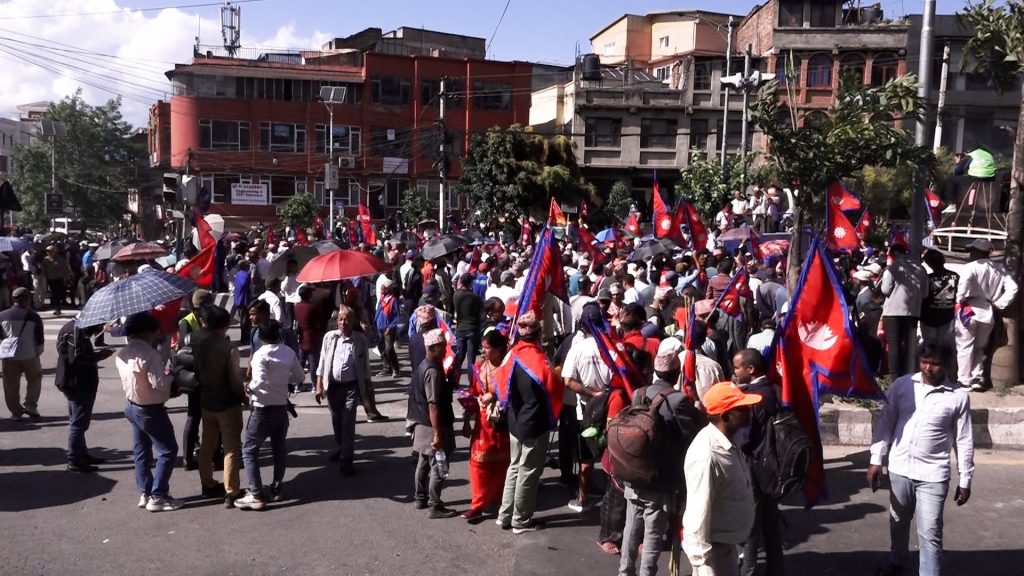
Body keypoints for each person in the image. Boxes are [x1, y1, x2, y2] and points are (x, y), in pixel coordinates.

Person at [869, 343, 975, 576]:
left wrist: (965, 479)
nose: (928, 368)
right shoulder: (902, 386)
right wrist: (876, 460)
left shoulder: (957, 397)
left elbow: (964, 439)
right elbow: (886, 423)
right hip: (899, 469)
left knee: (930, 533)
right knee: (897, 523)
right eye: (924, 362)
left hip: (933, 476)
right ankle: (897, 564)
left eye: (935, 363)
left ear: (946, 365)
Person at [618, 349, 700, 576]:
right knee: (653, 533)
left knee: (631, 528)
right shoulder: (678, 400)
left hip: (633, 471)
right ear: (676, 374)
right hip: (659, 477)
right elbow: (691, 435)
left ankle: (625, 571)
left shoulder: (638, 393)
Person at [682, 382, 762, 575]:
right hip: (712, 556)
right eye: (741, 409)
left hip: (726, 549)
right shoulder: (707, 455)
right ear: (726, 416)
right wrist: (704, 566)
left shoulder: (728, 442)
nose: (749, 411)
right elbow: (697, 514)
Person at [496, 311, 565, 534]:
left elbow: (499, 381)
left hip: (515, 420)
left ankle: (505, 515)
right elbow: (554, 387)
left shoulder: (511, 355)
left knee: (514, 467)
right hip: (533, 422)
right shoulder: (538, 358)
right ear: (537, 334)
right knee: (528, 471)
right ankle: (520, 520)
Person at [114, 312, 182, 512]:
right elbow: (159, 385)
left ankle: (145, 491)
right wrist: (170, 376)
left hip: (131, 405)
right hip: (151, 408)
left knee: (141, 451)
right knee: (168, 450)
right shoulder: (149, 355)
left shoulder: (123, 353)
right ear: (146, 332)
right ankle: (159, 495)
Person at [235, 320, 304, 510]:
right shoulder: (288, 352)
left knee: (249, 450)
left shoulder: (260, 355)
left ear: (261, 336)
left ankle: (255, 492)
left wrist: (248, 387)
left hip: (262, 409)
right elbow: (299, 377)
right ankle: (276, 486)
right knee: (279, 448)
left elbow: (259, 381)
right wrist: (282, 380)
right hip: (281, 408)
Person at [732, 349, 784, 576]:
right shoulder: (772, 389)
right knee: (770, 524)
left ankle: (748, 572)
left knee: (750, 528)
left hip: (754, 468)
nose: (734, 372)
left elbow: (744, 437)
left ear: (750, 369)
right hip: (771, 467)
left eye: (737, 367)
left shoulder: (753, 397)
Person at [561, 304, 614, 513]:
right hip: (611, 407)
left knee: (586, 456)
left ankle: (582, 498)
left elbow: (567, 380)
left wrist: (590, 394)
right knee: (611, 454)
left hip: (586, 409)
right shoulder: (611, 347)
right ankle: (612, 498)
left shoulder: (578, 349)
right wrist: (603, 394)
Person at [194, 306, 247, 507]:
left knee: (208, 444)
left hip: (207, 399)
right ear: (225, 326)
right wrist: (243, 396)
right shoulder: (228, 348)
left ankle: (207, 483)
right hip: (227, 403)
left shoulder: (198, 341)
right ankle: (231, 490)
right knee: (231, 447)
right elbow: (234, 380)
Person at [316, 305, 376, 477]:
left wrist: (367, 386)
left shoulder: (360, 340)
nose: (343, 322)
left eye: (347, 319)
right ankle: (342, 447)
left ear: (353, 321)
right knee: (337, 421)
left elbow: (365, 366)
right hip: (333, 387)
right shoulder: (329, 338)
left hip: (351, 387)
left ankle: (346, 460)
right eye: (341, 319)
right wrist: (319, 385)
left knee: (348, 422)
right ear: (337, 321)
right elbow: (322, 362)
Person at [954, 239, 1018, 391]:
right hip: (988, 310)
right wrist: (999, 303)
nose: (970, 254)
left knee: (964, 346)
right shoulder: (1000, 269)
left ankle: (964, 380)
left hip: (968, 308)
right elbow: (1013, 288)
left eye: (972, 251)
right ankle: (977, 377)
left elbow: (963, 287)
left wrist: (959, 301)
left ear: (977, 252)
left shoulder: (970, 267)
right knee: (979, 347)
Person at [461, 330, 511, 521]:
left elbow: (515, 391)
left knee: (503, 463)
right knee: (478, 463)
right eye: (483, 347)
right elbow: (473, 392)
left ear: (499, 350)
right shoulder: (480, 367)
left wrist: (497, 395)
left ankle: (500, 498)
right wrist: (467, 416)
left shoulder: (509, 367)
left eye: (487, 348)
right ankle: (478, 504)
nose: (483, 351)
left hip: (503, 421)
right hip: (483, 423)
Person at [409, 328, 458, 518]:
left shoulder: (424, 365)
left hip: (422, 422)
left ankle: (420, 497)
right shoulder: (432, 371)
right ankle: (435, 504)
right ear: (432, 347)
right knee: (438, 465)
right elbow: (434, 405)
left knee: (423, 461)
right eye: (442, 347)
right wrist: (438, 433)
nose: (445, 350)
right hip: (433, 425)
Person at [56, 319, 113, 472]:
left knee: (78, 422)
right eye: (98, 327)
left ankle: (81, 454)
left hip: (73, 381)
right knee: (78, 423)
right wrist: (99, 356)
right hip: (79, 383)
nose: (98, 331)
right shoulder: (77, 331)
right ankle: (74, 459)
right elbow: (77, 358)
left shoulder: (73, 328)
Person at [879, 245, 927, 378]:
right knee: (909, 344)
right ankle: (908, 373)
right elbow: (925, 293)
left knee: (894, 345)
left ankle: (894, 376)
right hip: (912, 312)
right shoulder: (920, 269)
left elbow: (885, 290)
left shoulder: (892, 269)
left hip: (893, 312)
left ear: (893, 253)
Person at [0, 287, 44, 421]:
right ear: (27, 300)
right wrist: (38, 353)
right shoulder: (33, 316)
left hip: (9, 355)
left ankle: (16, 412)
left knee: (10, 384)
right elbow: (39, 338)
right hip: (29, 354)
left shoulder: (2, 315)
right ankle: (31, 405)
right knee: (35, 380)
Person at [921, 250, 959, 376]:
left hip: (929, 318)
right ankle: (950, 375)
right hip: (947, 317)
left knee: (929, 348)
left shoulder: (928, 278)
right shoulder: (955, 276)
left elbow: (923, 297)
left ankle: (930, 373)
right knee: (948, 349)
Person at [294, 284, 326, 392]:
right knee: (313, 361)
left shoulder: (297, 306)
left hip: (302, 336)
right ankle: (314, 383)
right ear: (308, 295)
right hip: (312, 336)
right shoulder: (313, 307)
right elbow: (320, 320)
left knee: (301, 360)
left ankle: (298, 383)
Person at [452, 272, 483, 383]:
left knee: (459, 358)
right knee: (471, 360)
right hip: (472, 330)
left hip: (460, 329)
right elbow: (480, 313)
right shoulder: (475, 298)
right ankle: (471, 384)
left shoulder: (456, 295)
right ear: (471, 283)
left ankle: (454, 381)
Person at [374, 277, 401, 378]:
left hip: (388, 329)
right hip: (379, 327)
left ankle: (396, 369)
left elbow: (396, 316)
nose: (381, 288)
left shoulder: (393, 300)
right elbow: (378, 313)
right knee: (381, 348)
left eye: (383, 286)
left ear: (388, 288)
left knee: (389, 349)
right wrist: (374, 324)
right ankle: (386, 368)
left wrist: (391, 326)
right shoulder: (381, 299)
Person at [41, 245, 70, 315]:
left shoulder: (61, 259)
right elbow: (43, 270)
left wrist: (67, 278)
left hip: (59, 279)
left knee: (59, 294)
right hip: (51, 279)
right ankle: (57, 308)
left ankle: (58, 308)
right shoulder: (45, 260)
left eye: (51, 251)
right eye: (47, 251)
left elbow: (65, 269)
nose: (49, 253)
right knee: (54, 294)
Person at [234, 261, 254, 343]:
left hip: (238, 300)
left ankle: (244, 338)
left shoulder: (238, 273)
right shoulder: (246, 275)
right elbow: (244, 284)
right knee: (245, 321)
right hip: (245, 300)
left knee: (243, 320)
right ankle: (245, 338)